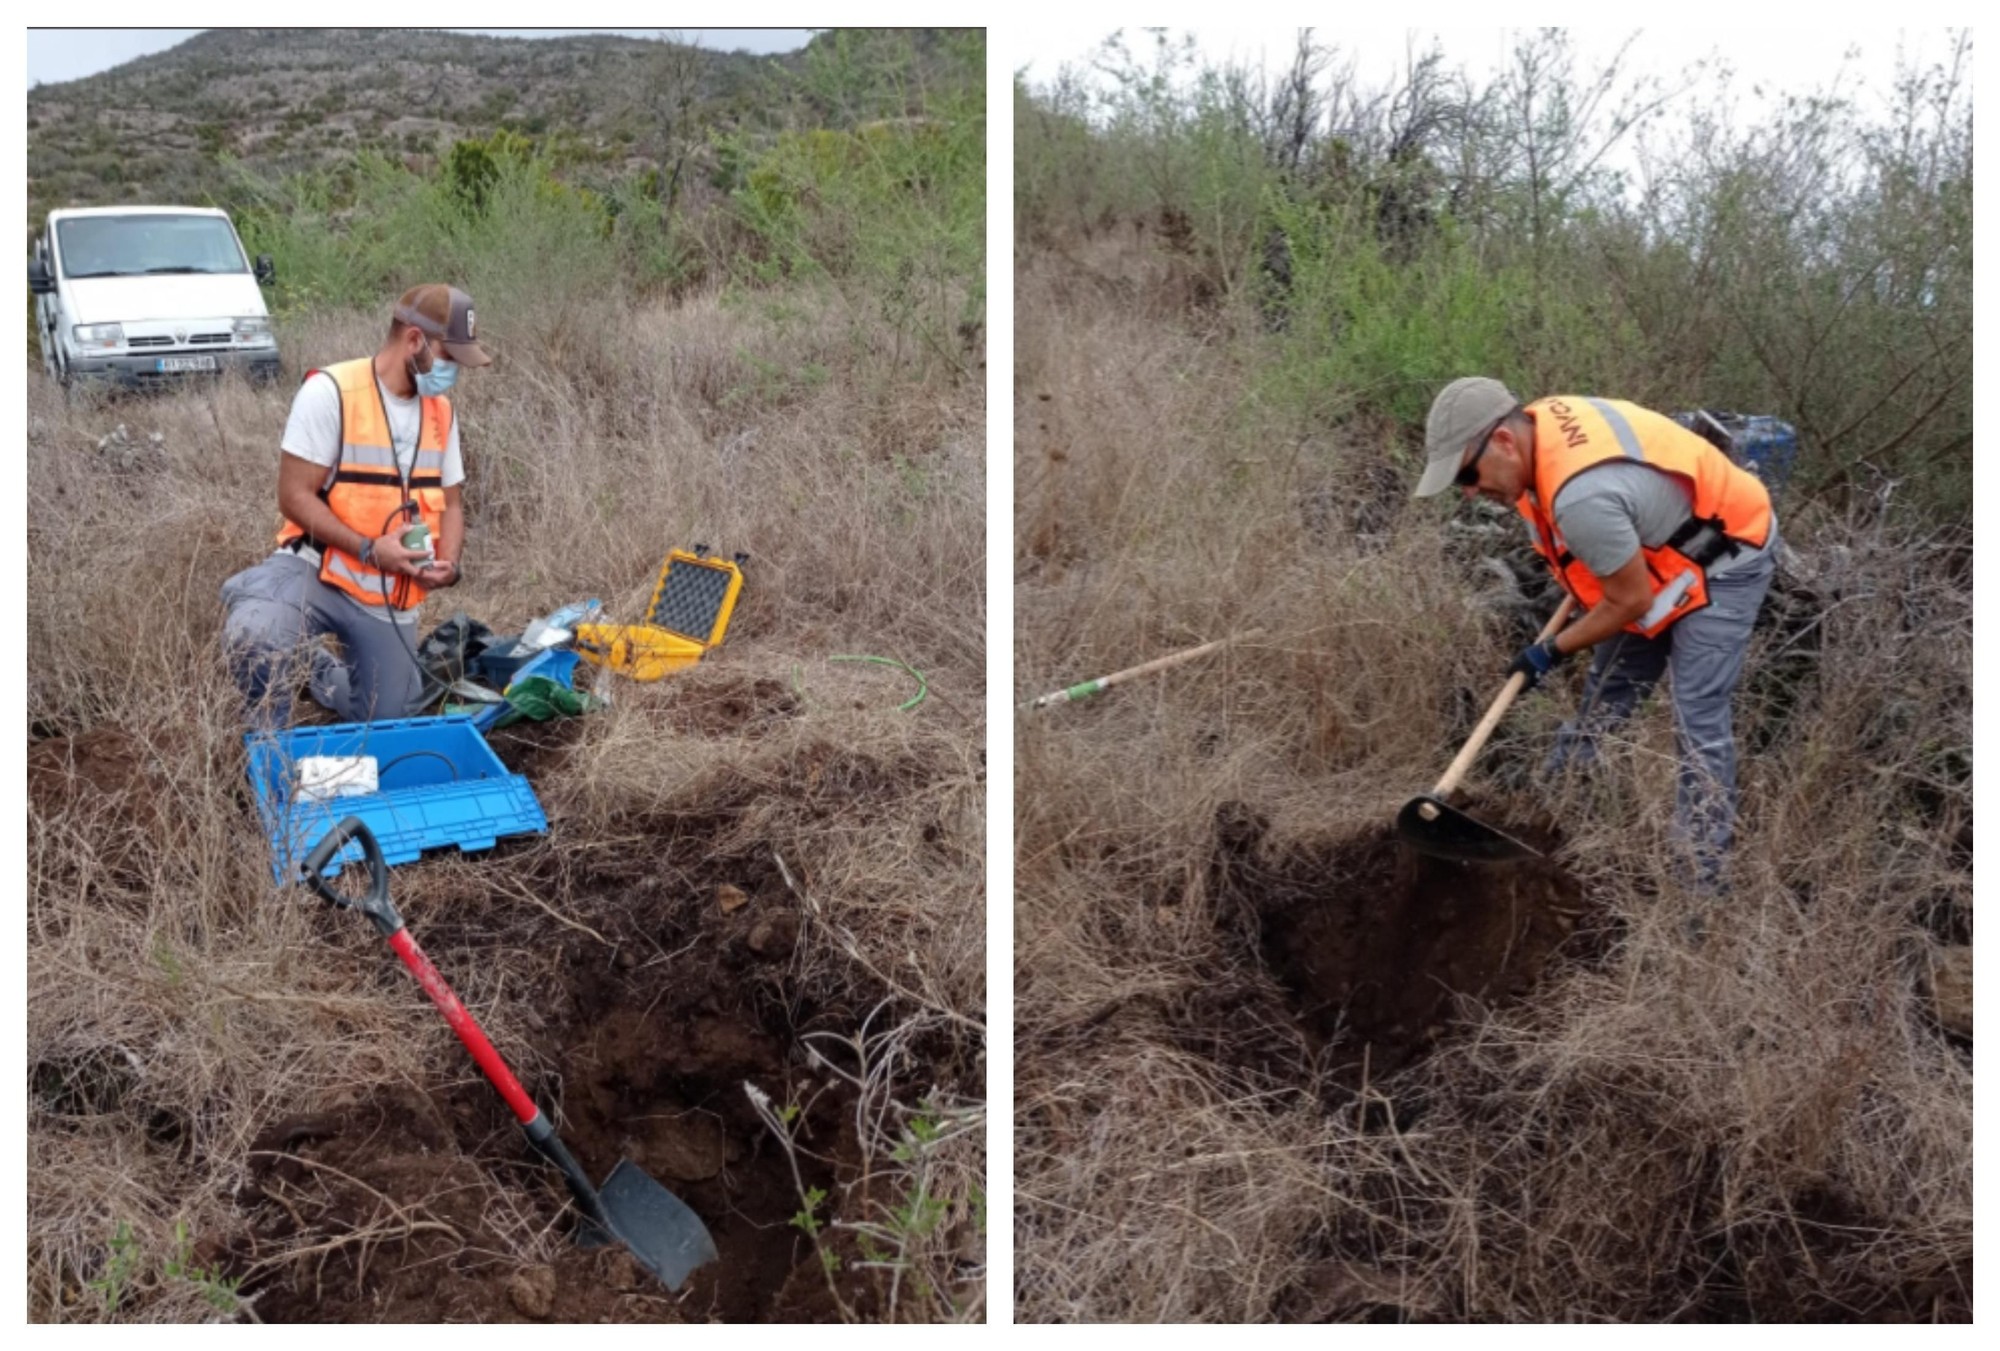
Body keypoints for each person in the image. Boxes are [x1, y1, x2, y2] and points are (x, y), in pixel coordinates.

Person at [1413, 378, 1779, 892]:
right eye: (1459, 484)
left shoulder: (1582, 495)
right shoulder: (1536, 433)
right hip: (1655, 553)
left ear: (1502, 441)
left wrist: (1549, 651)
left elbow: (1630, 601)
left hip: (1725, 554)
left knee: (1697, 716)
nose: (1470, 491)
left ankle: (1700, 884)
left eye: (1467, 474)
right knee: (1608, 690)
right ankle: (1555, 819)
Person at [221, 284, 490, 729]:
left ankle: (316, 670)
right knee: (256, 637)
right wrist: (369, 548)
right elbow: (292, 495)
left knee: (386, 720)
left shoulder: (442, 413)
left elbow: (453, 505)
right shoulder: (330, 392)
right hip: (318, 569)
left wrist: (450, 564)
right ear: (414, 340)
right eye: (449, 357)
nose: (454, 371)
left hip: (387, 592)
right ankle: (268, 754)